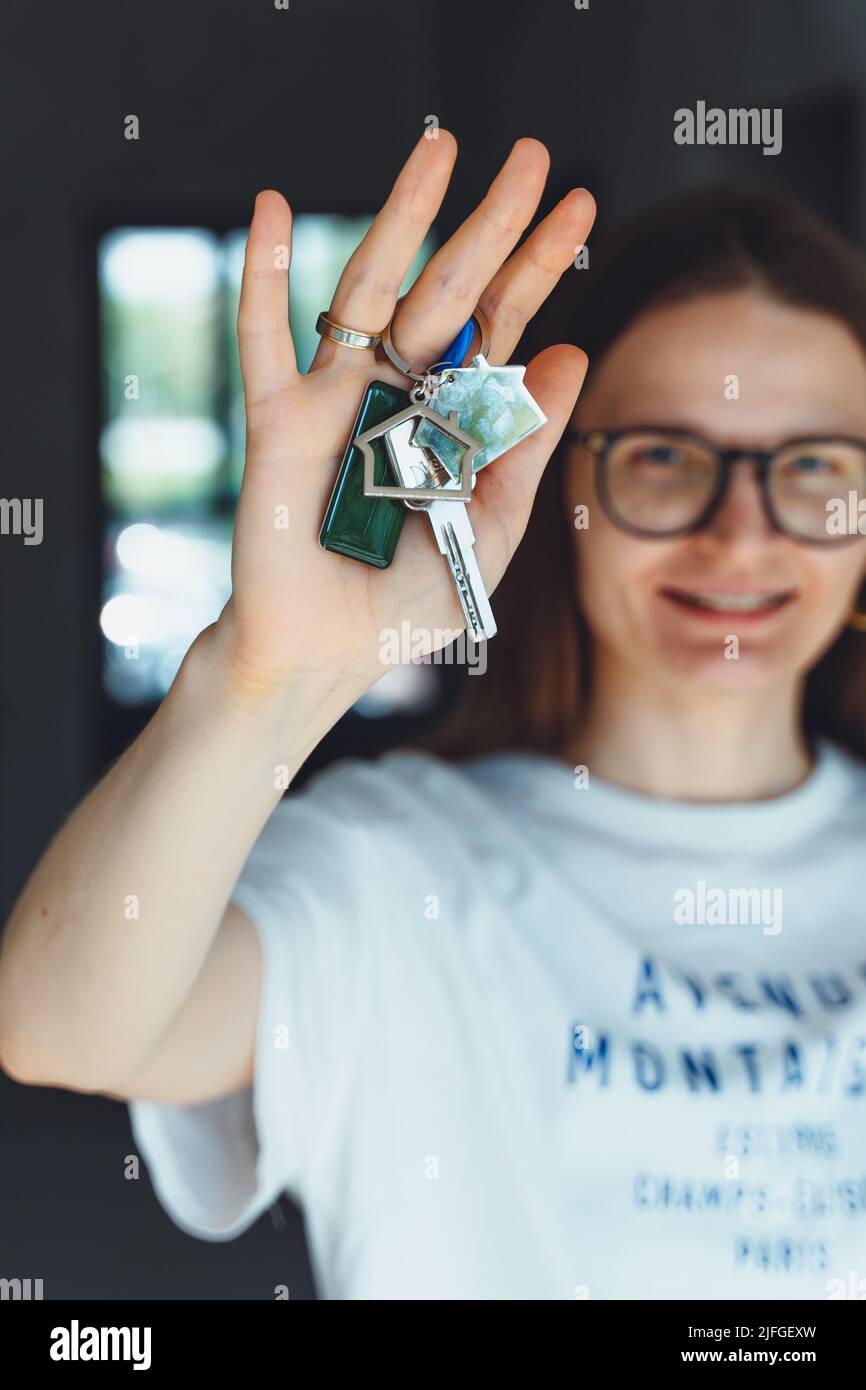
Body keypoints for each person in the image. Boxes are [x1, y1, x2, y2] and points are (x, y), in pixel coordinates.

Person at [3, 132, 866, 1301]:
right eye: (665, 456)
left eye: (813, 466)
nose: (741, 535)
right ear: (553, 475)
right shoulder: (393, 868)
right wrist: (268, 680)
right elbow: (65, 1031)